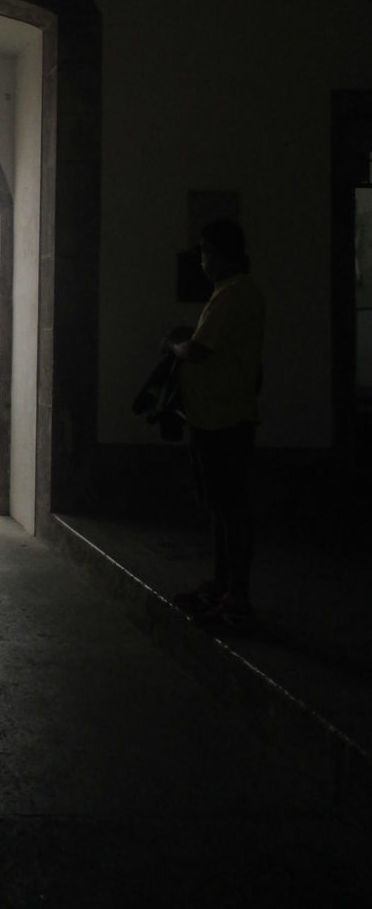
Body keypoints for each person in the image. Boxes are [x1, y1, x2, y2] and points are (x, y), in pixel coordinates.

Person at [162, 220, 265, 629]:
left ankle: (235, 597)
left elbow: (199, 351)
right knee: (223, 508)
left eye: (205, 252)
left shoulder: (233, 294)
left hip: (224, 418)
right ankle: (224, 585)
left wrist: (171, 344)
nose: (202, 261)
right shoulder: (235, 294)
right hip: (217, 415)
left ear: (222, 254)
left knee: (231, 510)